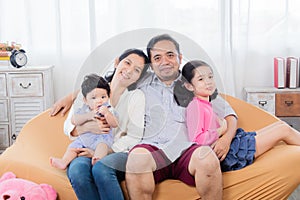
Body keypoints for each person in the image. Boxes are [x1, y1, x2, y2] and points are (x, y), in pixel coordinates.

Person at [125, 34, 238, 200]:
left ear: (179, 57)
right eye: (157, 57)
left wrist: (226, 139)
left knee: (207, 159)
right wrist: (73, 98)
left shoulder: (194, 82)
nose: (165, 61)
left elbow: (230, 114)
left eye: (170, 55)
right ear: (151, 63)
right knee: (136, 160)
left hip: (188, 150)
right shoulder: (141, 83)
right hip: (153, 148)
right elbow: (107, 90)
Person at [51, 48, 149, 200]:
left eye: (137, 70)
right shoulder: (92, 89)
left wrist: (105, 151)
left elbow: (135, 137)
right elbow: (68, 126)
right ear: (117, 62)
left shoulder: (136, 97)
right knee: (78, 172)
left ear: (138, 77)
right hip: (86, 145)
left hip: (118, 151)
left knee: (101, 169)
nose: (129, 71)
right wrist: (86, 128)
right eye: (127, 63)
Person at [182, 60, 300, 171]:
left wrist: (222, 128)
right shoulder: (195, 106)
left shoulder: (205, 103)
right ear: (189, 86)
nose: (208, 82)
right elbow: (197, 140)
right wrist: (221, 129)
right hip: (230, 154)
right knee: (283, 130)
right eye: (201, 79)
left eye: (210, 77)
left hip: (233, 143)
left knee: (280, 125)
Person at [50, 74, 117, 169]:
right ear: (85, 100)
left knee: (103, 147)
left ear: (108, 97)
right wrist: (87, 116)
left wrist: (107, 114)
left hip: (102, 139)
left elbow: (114, 124)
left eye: (103, 97)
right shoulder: (84, 110)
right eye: (94, 98)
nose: (99, 101)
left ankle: (97, 159)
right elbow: (74, 120)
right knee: (72, 148)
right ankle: (64, 162)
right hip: (84, 138)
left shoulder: (109, 109)